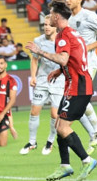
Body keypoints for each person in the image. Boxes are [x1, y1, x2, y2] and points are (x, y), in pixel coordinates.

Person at [26, 0, 97, 181]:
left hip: (78, 88)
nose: (48, 17)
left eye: (50, 14)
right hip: (77, 85)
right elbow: (76, 59)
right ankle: (65, 165)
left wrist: (40, 52)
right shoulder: (74, 33)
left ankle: (87, 160)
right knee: (59, 125)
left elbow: (64, 59)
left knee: (63, 128)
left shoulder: (63, 36)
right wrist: (59, 72)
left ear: (57, 17)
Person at [65, 0, 97, 153]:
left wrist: (88, 47)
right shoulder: (68, 20)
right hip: (73, 67)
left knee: (80, 99)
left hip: (88, 64)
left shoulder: (89, 16)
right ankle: (94, 133)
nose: (67, 0)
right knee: (77, 102)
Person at [20, 15, 65, 156]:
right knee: (34, 111)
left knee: (54, 114)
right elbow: (34, 60)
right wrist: (33, 76)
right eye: (44, 24)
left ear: (55, 26)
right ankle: (32, 142)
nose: (46, 27)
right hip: (42, 80)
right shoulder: (38, 41)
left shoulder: (62, 41)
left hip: (58, 81)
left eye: (49, 25)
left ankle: (50, 141)